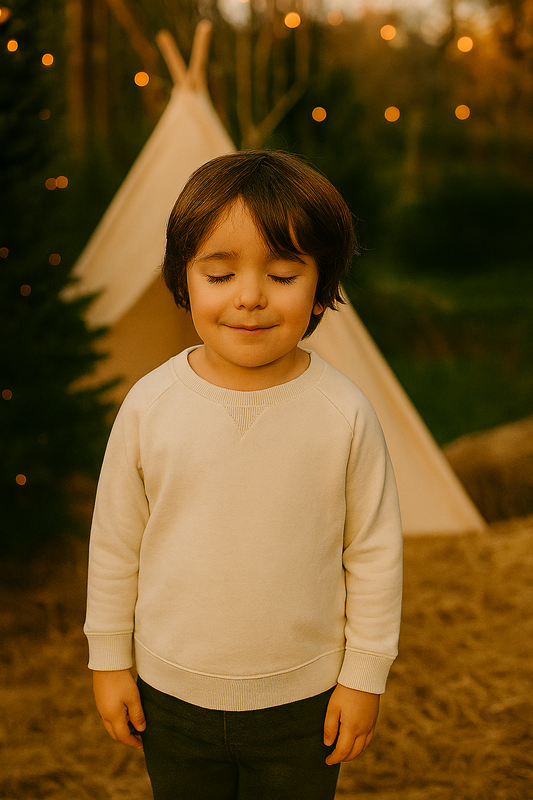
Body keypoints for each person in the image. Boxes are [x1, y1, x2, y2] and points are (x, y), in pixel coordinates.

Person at [84, 149, 403, 800]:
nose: (250, 296)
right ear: (183, 281)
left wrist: (364, 674)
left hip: (303, 703)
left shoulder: (341, 412)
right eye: (220, 273)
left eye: (283, 274)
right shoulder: (150, 405)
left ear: (321, 287)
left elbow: (372, 553)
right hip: (169, 695)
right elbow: (116, 544)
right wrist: (109, 661)